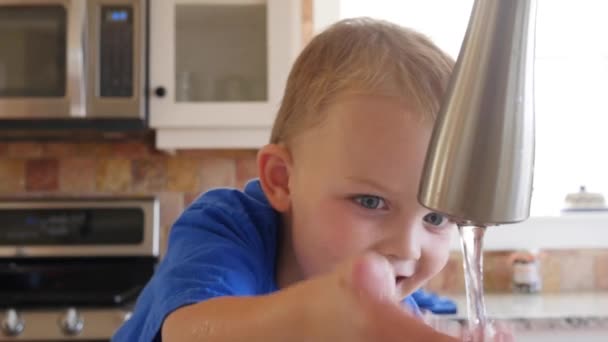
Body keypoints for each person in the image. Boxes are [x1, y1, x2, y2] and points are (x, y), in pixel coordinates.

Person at [113, 17, 495, 341]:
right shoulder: (229, 227)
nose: (408, 248)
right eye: (371, 202)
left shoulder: (394, 315)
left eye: (436, 218)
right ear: (281, 179)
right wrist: (314, 314)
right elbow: (191, 331)